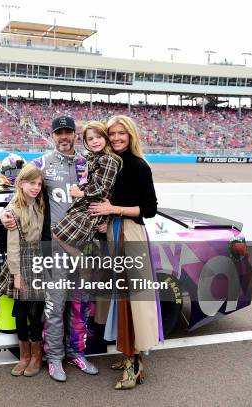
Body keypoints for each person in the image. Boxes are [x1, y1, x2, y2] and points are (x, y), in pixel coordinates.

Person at [1, 116, 98, 382]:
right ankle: (54, 358)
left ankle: (75, 352)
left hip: (84, 249)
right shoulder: (42, 163)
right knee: (54, 308)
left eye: (68, 132)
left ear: (75, 135)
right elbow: (22, 189)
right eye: (59, 133)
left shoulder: (87, 163)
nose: (64, 136)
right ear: (53, 136)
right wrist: (6, 213)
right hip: (56, 251)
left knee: (80, 307)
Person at [88, 115, 163, 390]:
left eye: (122, 133)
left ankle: (134, 365)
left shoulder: (138, 166)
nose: (117, 138)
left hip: (129, 234)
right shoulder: (109, 163)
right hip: (112, 233)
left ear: (130, 135)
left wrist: (113, 210)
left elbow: (150, 209)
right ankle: (129, 355)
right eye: (112, 133)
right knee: (119, 300)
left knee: (132, 301)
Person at [2, 163, 45, 377]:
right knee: (21, 312)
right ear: (20, 183)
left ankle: (37, 357)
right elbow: (13, 245)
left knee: (35, 312)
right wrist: (17, 274)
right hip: (21, 263)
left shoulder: (39, 203)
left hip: (39, 262)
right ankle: (24, 356)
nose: (36, 187)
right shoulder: (13, 210)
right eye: (31, 183)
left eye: (39, 184)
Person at [53, 121, 121, 245]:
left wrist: (81, 193)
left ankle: (87, 263)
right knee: (79, 244)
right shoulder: (91, 158)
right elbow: (86, 179)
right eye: (90, 139)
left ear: (106, 138)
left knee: (57, 235)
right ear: (86, 142)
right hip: (85, 209)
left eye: (99, 137)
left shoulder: (108, 159)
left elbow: (103, 188)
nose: (95, 141)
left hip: (91, 211)